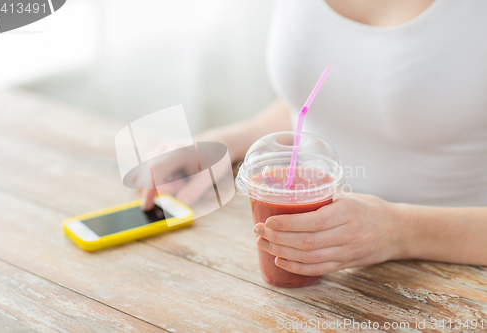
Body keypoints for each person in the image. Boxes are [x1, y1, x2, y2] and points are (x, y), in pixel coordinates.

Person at [143, 0, 487, 276]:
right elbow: (325, 100)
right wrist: (233, 141)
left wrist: (400, 231)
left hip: (454, 278)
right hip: (320, 263)